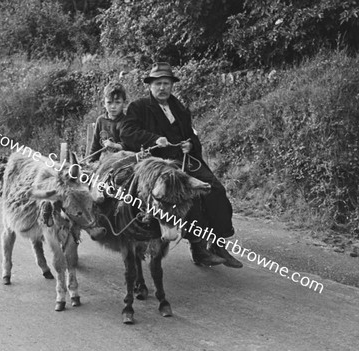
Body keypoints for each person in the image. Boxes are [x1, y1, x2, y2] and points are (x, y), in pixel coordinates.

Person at [119, 62, 243, 268]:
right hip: (158, 164)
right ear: (150, 85)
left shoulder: (180, 109)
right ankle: (199, 249)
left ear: (171, 85)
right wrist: (153, 139)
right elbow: (127, 132)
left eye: (166, 83)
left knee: (215, 190)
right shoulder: (139, 107)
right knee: (186, 195)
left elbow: (192, 136)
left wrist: (190, 144)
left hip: (185, 159)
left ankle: (218, 244)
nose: (162, 88)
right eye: (158, 83)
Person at [88, 82, 127, 162]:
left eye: (117, 102)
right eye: (109, 102)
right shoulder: (100, 120)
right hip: (104, 161)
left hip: (121, 162)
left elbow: (129, 146)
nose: (113, 106)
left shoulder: (127, 121)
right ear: (104, 103)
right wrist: (91, 161)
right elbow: (95, 146)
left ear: (124, 103)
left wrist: (114, 145)